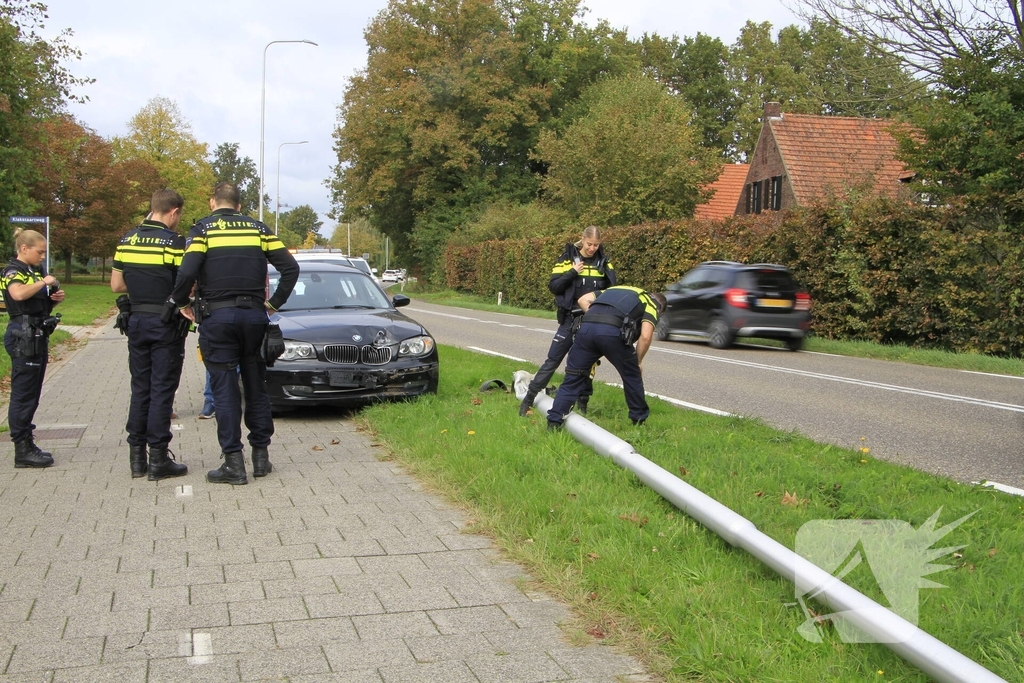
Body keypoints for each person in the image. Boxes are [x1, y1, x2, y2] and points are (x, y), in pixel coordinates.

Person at [172, 182, 298, 485]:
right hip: (254, 317)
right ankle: (260, 457)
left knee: (225, 391)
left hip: (218, 318)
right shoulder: (259, 229)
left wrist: (180, 302)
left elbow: (187, 271)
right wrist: (272, 304)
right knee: (255, 386)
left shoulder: (202, 230)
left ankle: (233, 463)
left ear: (212, 202)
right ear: (239, 206)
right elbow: (290, 268)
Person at [111, 189, 190, 480]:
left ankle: (136, 460)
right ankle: (158, 459)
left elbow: (117, 285)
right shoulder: (173, 242)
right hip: (164, 322)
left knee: (140, 388)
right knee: (162, 389)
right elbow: (185, 284)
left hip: (136, 321)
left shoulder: (127, 240)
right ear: (173, 212)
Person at [519, 226, 615, 417]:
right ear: (583, 240)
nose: (592, 249)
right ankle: (527, 401)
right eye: (589, 244)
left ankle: (583, 405)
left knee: (587, 365)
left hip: (591, 322)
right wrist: (572, 272)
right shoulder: (566, 259)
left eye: (596, 245)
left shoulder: (604, 262)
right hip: (570, 319)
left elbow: (613, 290)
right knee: (552, 361)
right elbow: (554, 287)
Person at [547, 286, 665, 430]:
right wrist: (638, 362)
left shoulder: (615, 289)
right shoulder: (651, 302)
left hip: (586, 329)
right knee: (631, 376)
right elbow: (645, 336)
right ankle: (638, 421)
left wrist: (597, 320)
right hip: (613, 333)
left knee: (573, 377)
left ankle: (554, 422)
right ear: (660, 309)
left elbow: (583, 300)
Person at [2, 228, 65, 468]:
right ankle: (22, 450)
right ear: (24, 249)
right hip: (22, 336)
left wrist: (53, 297)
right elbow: (17, 294)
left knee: (32, 394)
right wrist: (43, 283)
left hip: (36, 334)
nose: (42, 257)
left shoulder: (33, 270)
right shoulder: (12, 271)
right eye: (39, 252)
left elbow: (36, 299)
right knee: (23, 395)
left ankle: (28, 442)